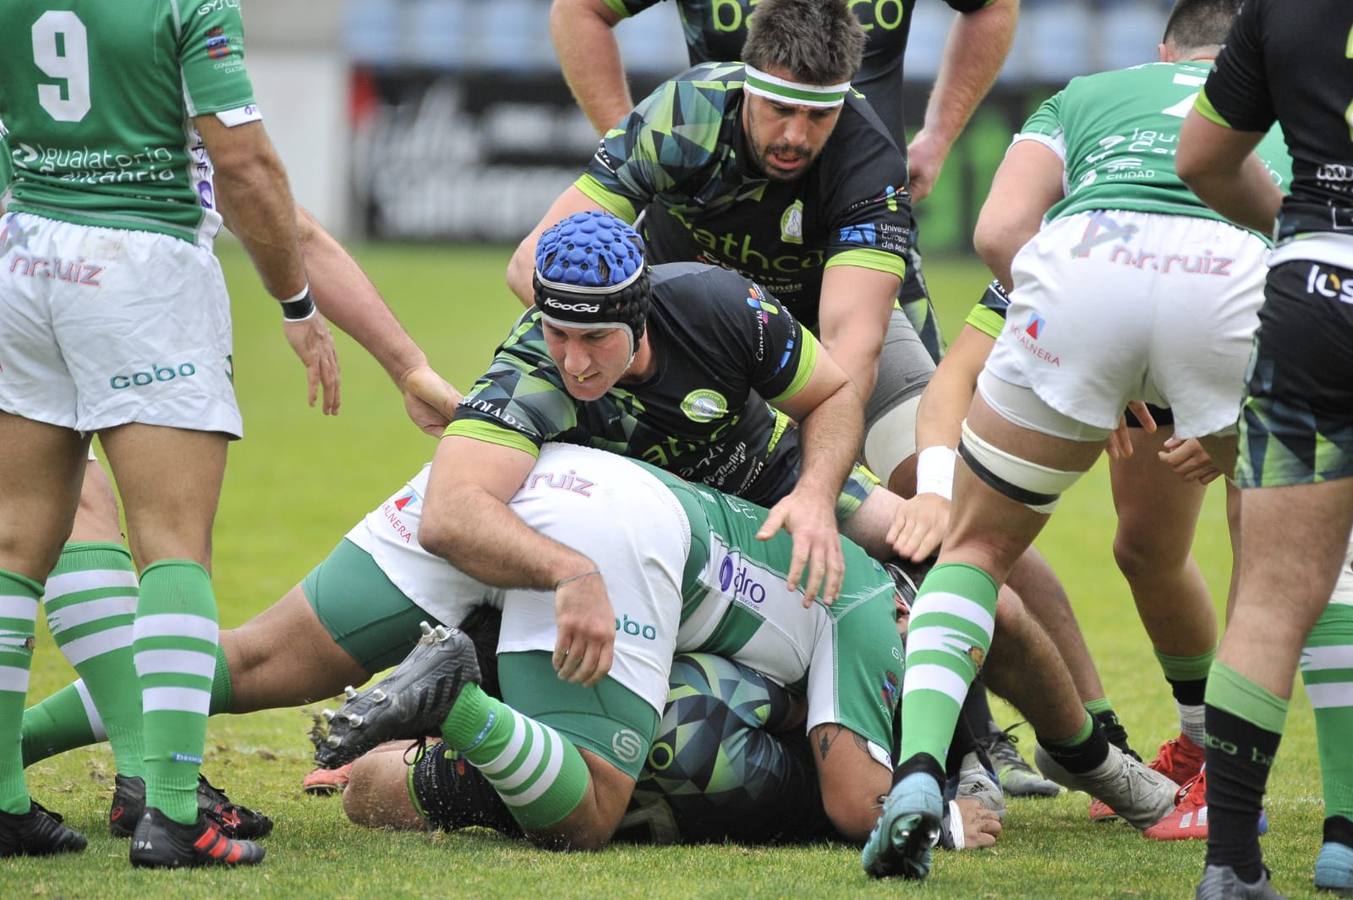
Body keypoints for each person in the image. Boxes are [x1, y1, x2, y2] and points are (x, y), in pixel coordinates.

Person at [862, 0, 1288, 881]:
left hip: (1086, 288)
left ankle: (916, 776)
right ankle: (1269, 802)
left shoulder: (1088, 122)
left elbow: (994, 243)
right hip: (1238, 296)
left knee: (981, 550)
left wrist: (1076, 334)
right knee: (1273, 569)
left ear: (1164, 50)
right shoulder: (1287, 103)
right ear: (1252, 53)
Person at [0, 0, 343, 867]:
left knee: (13, 547)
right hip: (139, 269)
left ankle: (3, 801)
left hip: (26, 254)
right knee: (173, 548)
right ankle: (173, 813)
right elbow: (245, 164)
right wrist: (296, 302)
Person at [17, 205, 460, 843]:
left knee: (61, 515)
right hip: (130, 291)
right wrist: (311, 313)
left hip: (32, 277)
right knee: (168, 544)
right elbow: (263, 194)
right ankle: (155, 787)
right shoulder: (171, 104)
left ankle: (34, 788)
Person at [508, 0, 932, 498]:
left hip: (813, 328)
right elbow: (529, 265)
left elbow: (852, 344)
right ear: (749, 85)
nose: (796, 135)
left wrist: (805, 474)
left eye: (818, 115)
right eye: (780, 109)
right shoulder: (685, 116)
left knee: (932, 482)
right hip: (677, 333)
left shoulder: (870, 159)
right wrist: (635, 365)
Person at [453, 211, 894, 605]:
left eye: (595, 337)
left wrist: (815, 497)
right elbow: (452, 511)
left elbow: (833, 394)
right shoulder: (528, 367)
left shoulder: (720, 305)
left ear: (638, 317)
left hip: (772, 472)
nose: (573, 363)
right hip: (669, 531)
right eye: (558, 332)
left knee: (914, 541)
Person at [548, 0, 1018, 364]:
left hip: (860, 223)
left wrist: (937, 138)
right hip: (699, 242)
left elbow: (993, 6)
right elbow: (580, 9)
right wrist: (632, 145)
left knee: (922, 442)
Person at [1177, 0, 1353, 894]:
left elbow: (1200, 157)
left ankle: (1232, 866)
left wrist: (1300, 222)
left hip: (1315, 297)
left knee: (1273, 600)